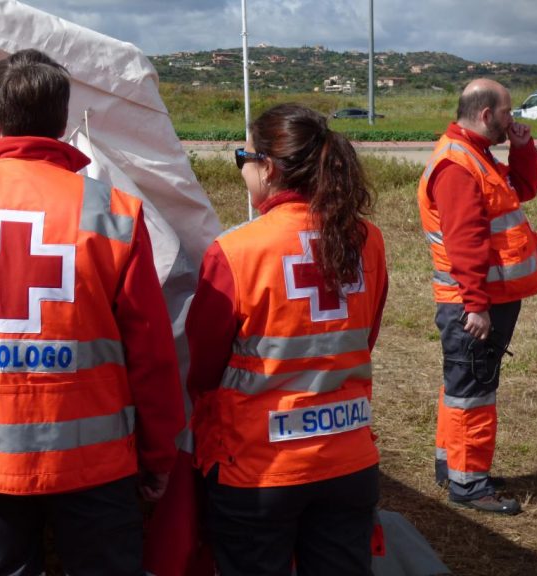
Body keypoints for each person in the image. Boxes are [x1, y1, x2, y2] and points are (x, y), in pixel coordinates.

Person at [0, 49, 184, 575]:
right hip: (96, 467)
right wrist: (158, 452)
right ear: (63, 122)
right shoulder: (112, 213)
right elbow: (151, 354)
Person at [186, 103, 388, 575]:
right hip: (350, 460)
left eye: (244, 157)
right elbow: (364, 338)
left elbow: (201, 367)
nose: (242, 169)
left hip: (257, 466)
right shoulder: (368, 241)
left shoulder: (236, 252)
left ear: (269, 168)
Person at [417, 78, 537, 515]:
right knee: (473, 389)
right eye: (509, 112)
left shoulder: (477, 155)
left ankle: (452, 465)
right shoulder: (458, 165)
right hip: (473, 303)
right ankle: (469, 484)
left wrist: (522, 148)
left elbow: (522, 189)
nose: (515, 119)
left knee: (462, 384)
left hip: (482, 298)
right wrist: (475, 304)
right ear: (487, 114)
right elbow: (465, 242)